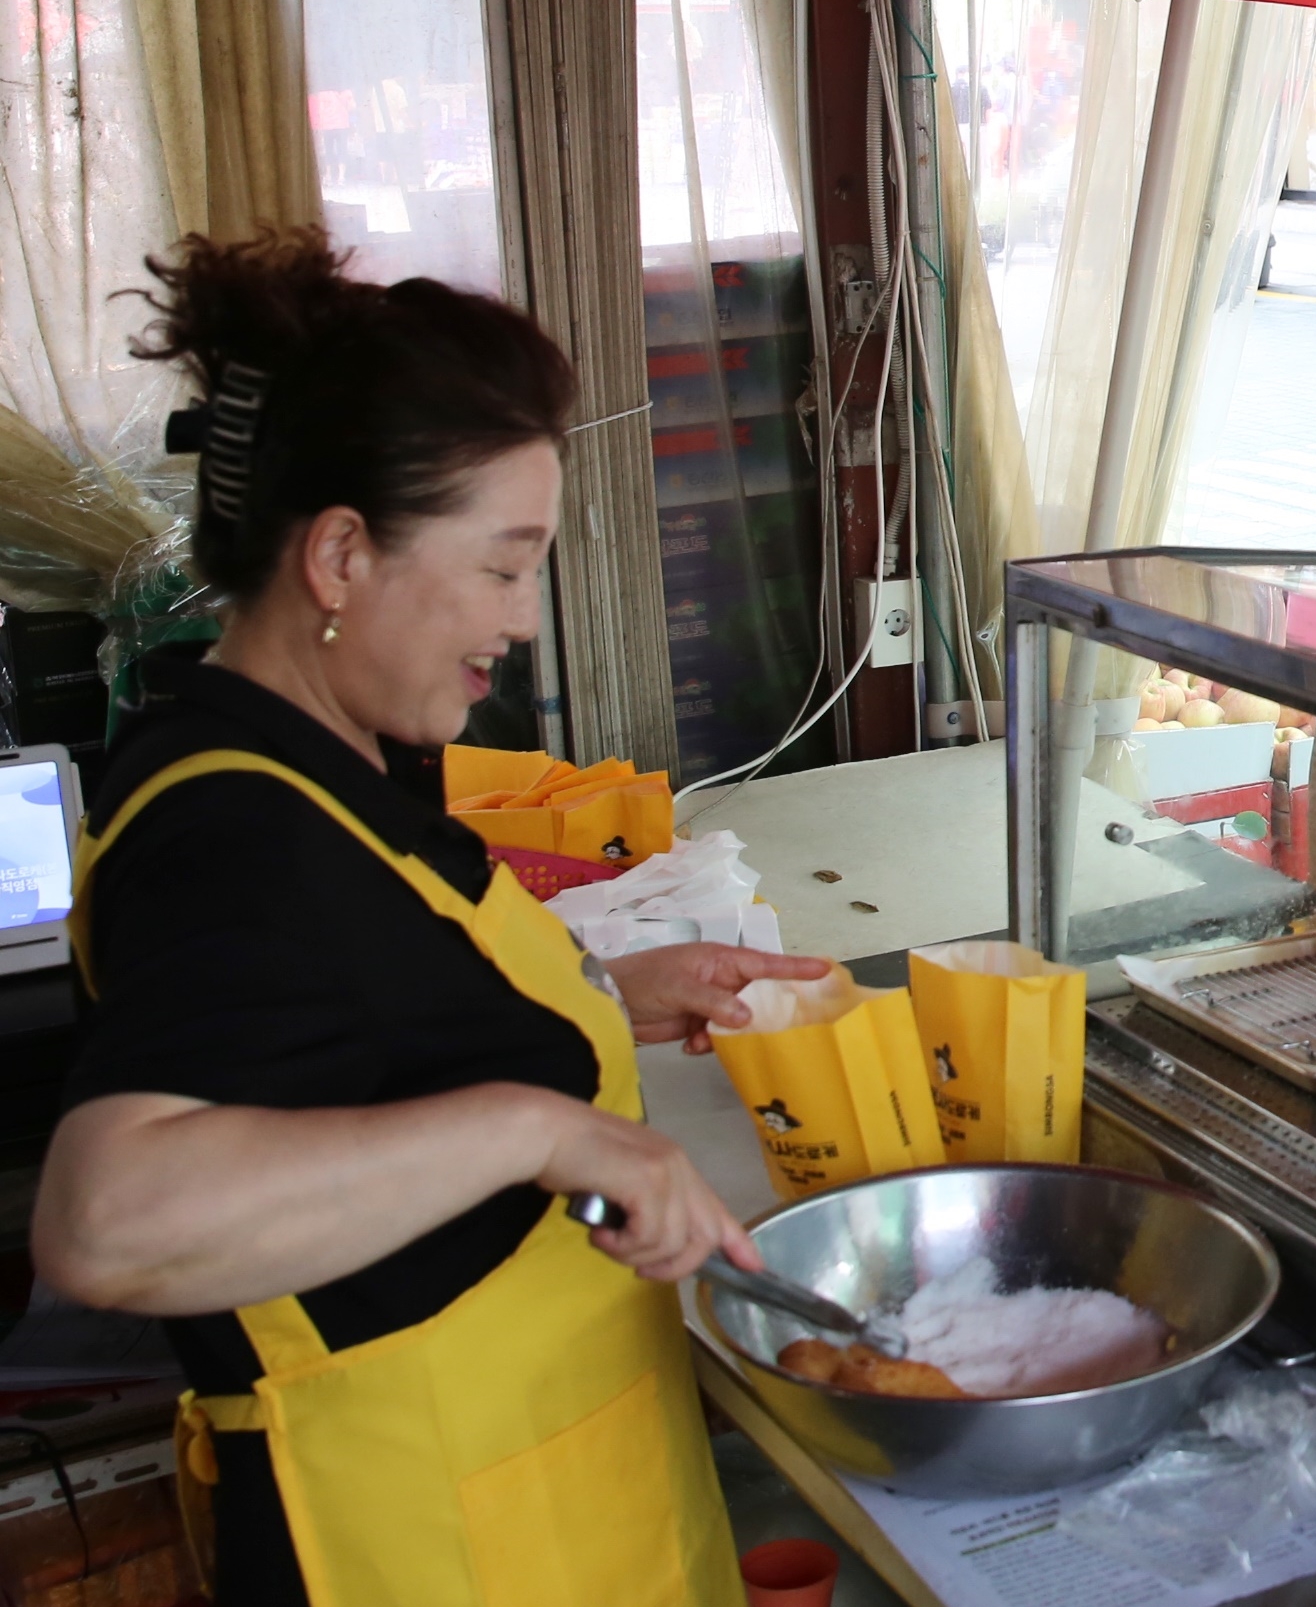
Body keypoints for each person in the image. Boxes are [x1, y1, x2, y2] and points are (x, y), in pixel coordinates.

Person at [31, 229, 830, 1605]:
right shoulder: (233, 831)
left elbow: (356, 1017)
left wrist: (609, 995)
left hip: (556, 1500)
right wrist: (542, 1123)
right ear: (340, 554)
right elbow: (111, 1220)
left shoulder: (328, 765)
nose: (523, 618)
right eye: (503, 565)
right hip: (420, 1540)